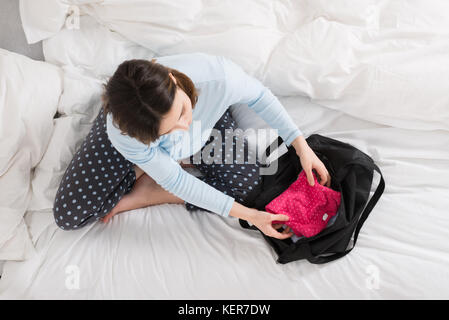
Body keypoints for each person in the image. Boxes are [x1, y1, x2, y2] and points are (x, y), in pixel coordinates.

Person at [53, 52, 330, 240]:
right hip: (136, 135)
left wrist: (301, 146)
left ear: (173, 81)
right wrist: (252, 217)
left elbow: (260, 98)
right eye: (170, 130)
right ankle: (147, 167)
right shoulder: (123, 133)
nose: (184, 127)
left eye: (183, 111)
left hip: (204, 122)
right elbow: (176, 179)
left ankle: (154, 191)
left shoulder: (220, 79)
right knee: (69, 215)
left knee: (249, 189)